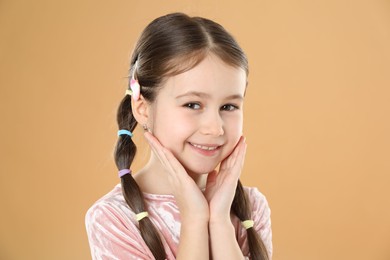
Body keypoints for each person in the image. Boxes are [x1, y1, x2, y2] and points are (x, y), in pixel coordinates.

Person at [85, 12, 272, 260]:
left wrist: (219, 222)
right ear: (142, 108)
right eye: (193, 105)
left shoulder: (250, 207)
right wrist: (195, 220)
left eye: (228, 107)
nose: (215, 129)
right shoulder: (113, 218)